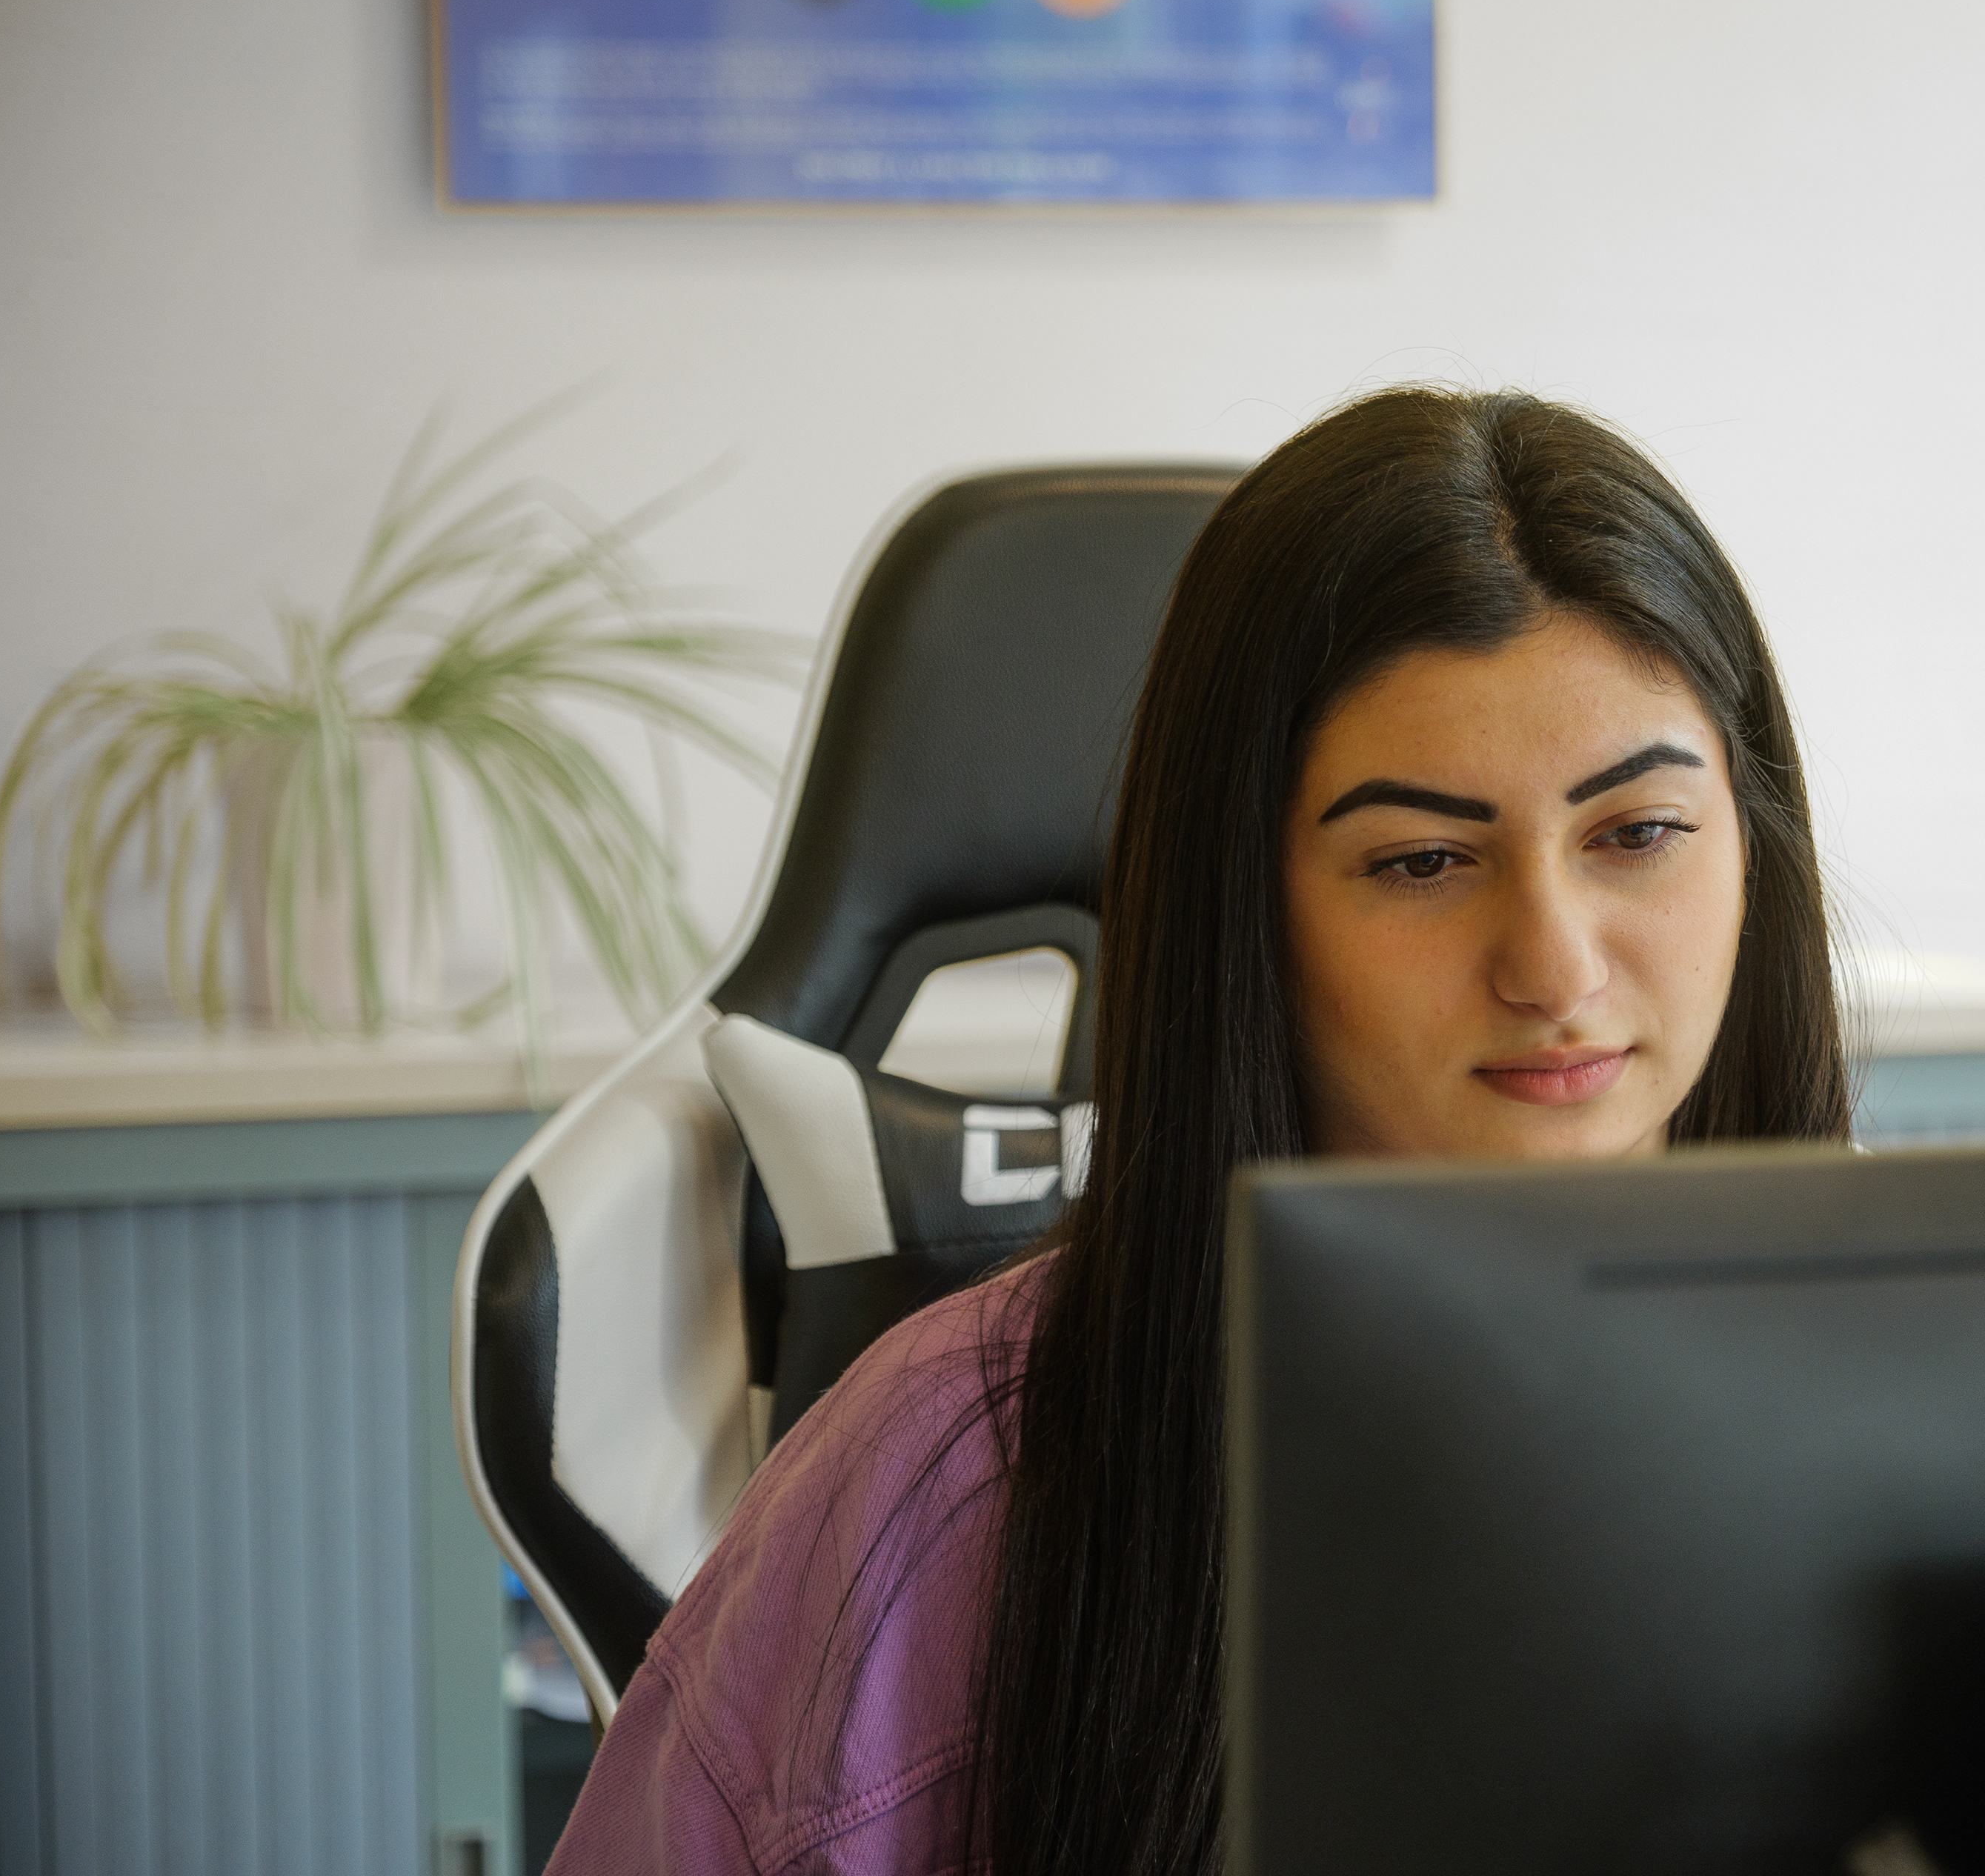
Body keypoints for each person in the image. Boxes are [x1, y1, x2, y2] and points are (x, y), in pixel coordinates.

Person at [544, 387, 1852, 1876]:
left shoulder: (1942, 1379)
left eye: (1639, 833)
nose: (1554, 968)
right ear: (1245, 907)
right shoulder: (949, 1492)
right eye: (1423, 860)